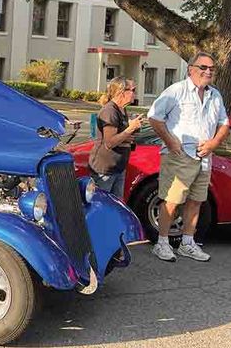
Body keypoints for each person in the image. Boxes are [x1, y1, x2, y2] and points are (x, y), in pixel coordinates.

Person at [148, 52, 229, 262]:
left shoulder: (215, 95)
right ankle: (162, 243)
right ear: (190, 69)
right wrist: (170, 141)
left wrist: (213, 143)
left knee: (196, 201)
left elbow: (224, 123)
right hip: (179, 155)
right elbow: (154, 117)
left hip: (204, 156)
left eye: (211, 68)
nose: (208, 71)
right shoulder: (176, 91)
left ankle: (187, 243)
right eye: (203, 67)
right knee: (172, 201)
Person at [89, 76, 143, 198]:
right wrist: (130, 128)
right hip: (105, 169)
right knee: (102, 205)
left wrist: (130, 134)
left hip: (118, 167)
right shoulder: (110, 111)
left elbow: (120, 136)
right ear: (121, 92)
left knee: (116, 205)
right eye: (133, 90)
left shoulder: (122, 110)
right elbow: (109, 142)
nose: (135, 93)